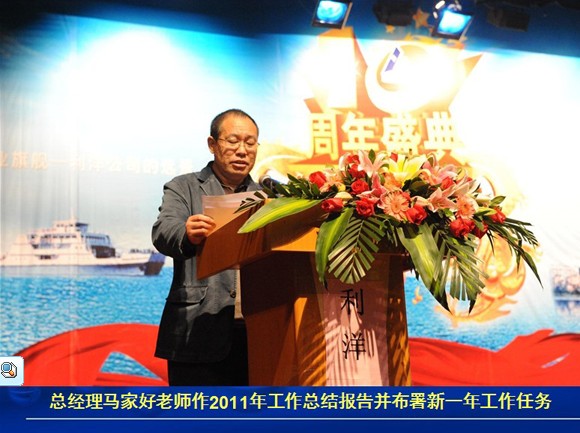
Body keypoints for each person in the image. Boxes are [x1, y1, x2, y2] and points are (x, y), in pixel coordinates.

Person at [151, 108, 261, 385]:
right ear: (212, 144)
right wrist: (186, 233)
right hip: (197, 328)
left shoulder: (268, 196)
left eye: (250, 143)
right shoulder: (184, 187)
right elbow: (163, 232)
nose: (242, 150)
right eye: (233, 141)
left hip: (258, 331)